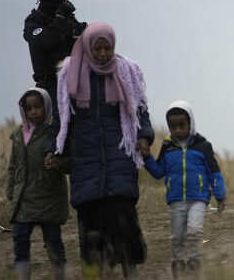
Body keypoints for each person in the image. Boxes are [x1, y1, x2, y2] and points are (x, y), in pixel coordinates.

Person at [44, 22, 154, 278]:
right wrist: (53, 151)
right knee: (92, 234)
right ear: (88, 47)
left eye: (107, 48)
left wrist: (144, 138)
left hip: (119, 161)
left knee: (125, 227)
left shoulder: (126, 72)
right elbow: (61, 120)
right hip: (86, 163)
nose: (103, 54)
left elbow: (140, 112)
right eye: (98, 48)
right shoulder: (69, 75)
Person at [138, 101, 227, 279]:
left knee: (195, 231)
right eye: (173, 126)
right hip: (176, 200)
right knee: (177, 236)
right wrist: (147, 157)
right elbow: (158, 172)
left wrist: (220, 196)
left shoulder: (202, 145)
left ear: (190, 123)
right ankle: (177, 263)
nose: (177, 130)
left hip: (199, 199)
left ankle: (194, 262)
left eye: (182, 125)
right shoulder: (168, 146)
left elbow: (214, 172)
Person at [6, 87, 68, 280]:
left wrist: (58, 163)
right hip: (24, 199)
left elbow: (69, 162)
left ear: (46, 107)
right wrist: (11, 191)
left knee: (52, 242)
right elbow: (13, 165)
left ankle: (60, 275)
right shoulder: (18, 135)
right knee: (20, 240)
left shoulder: (54, 134)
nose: (33, 112)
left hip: (49, 197)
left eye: (37, 107)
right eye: (29, 108)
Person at [23, 0, 87, 108]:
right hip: (49, 88)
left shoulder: (68, 18)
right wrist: (59, 19)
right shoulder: (34, 21)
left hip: (74, 86)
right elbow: (47, 41)